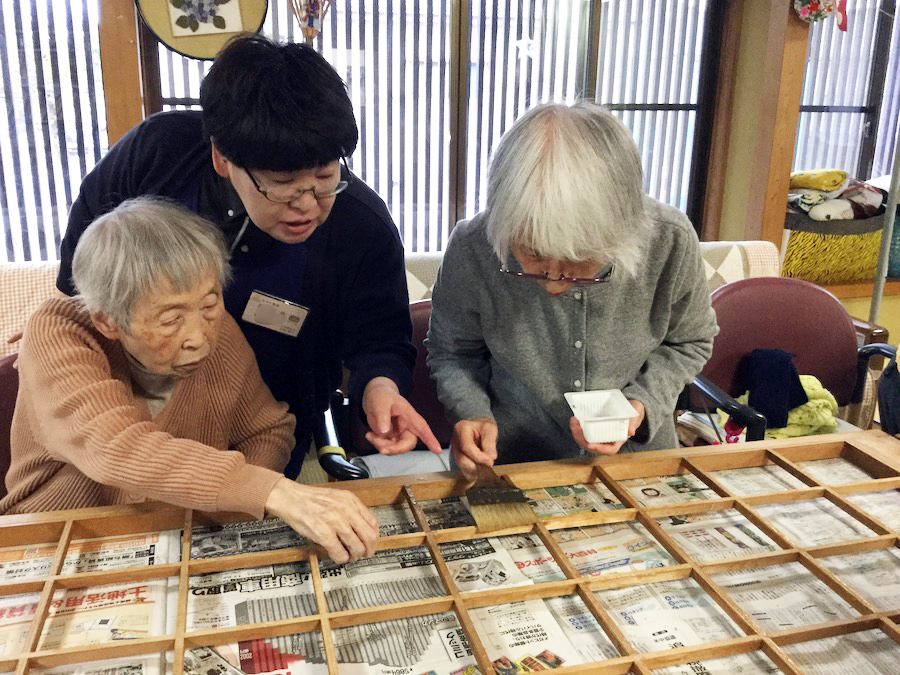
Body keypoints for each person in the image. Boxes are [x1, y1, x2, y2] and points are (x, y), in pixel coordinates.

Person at [55, 33, 440, 479]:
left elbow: (381, 339)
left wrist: (381, 390)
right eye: (282, 182)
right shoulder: (156, 154)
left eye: (324, 176)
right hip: (133, 419)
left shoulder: (360, 224)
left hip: (263, 429)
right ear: (222, 157)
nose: (307, 204)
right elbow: (80, 281)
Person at [1, 198, 378, 564]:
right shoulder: (60, 332)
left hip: (183, 534)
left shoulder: (220, 332)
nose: (199, 336)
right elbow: (112, 446)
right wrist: (269, 490)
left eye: (210, 304)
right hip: (56, 540)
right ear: (108, 320)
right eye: (170, 319)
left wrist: (232, 512)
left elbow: (269, 430)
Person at [426, 102, 718, 479]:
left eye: (579, 263)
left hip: (638, 464)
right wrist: (471, 412)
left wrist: (641, 403)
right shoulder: (473, 247)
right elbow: (452, 352)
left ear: (620, 233)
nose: (552, 284)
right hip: (510, 462)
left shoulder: (669, 241)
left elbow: (691, 340)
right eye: (532, 256)